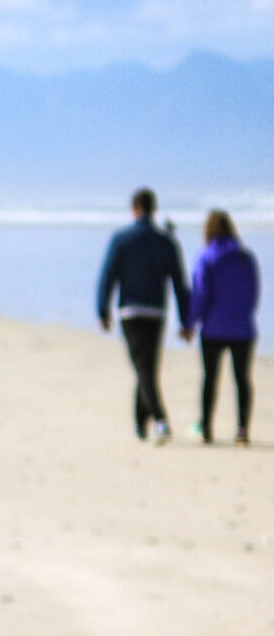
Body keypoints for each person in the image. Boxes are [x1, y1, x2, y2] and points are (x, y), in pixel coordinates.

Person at [96, 188, 192, 444]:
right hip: (156, 312)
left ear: (134, 209)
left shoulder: (121, 239)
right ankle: (141, 423)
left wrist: (102, 310)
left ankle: (159, 420)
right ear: (153, 209)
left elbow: (108, 275)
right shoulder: (166, 241)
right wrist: (186, 320)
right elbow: (180, 283)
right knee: (147, 367)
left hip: (130, 312)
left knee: (144, 368)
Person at [193, 210, 257, 444]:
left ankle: (207, 427)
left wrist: (190, 322)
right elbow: (253, 292)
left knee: (210, 378)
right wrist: (245, 314)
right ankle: (242, 430)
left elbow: (201, 294)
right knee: (242, 379)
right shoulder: (244, 257)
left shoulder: (207, 257)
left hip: (213, 328)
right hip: (242, 327)